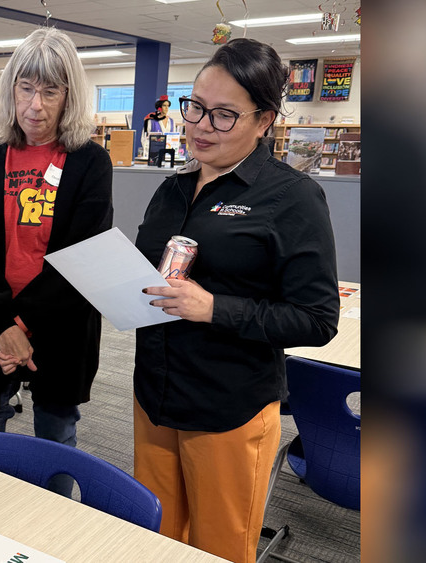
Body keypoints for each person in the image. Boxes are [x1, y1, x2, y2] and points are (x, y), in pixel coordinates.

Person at [132, 38, 339, 563]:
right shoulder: (173, 189)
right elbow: (150, 272)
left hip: (226, 407)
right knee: (153, 539)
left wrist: (214, 307)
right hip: (153, 395)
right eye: (196, 106)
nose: (201, 126)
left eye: (224, 116)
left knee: (218, 549)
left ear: (264, 119)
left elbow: (316, 319)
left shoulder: (292, 197)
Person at [0, 27, 113, 497]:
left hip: (60, 324)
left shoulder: (90, 162)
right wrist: (4, 323)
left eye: (50, 90)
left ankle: (55, 525)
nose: (35, 105)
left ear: (70, 96)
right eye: (26, 88)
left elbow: (82, 256)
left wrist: (21, 325)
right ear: (11, 90)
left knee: (58, 436)